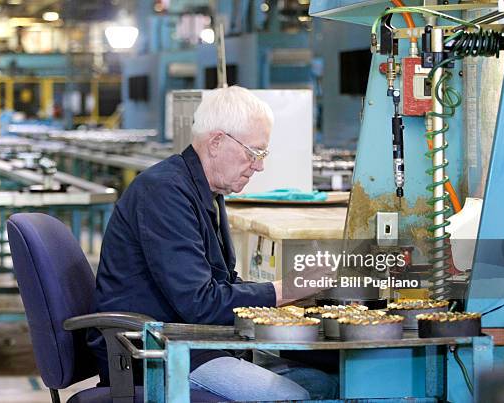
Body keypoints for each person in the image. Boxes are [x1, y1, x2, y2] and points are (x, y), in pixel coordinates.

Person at [88, 85, 338, 400]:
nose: (259, 166)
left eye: (263, 155)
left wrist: (294, 304)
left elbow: (222, 282)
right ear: (217, 141)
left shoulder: (207, 192)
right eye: (254, 153)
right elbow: (200, 303)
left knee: (326, 383)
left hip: (191, 340)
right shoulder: (164, 192)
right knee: (291, 396)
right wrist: (285, 289)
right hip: (155, 351)